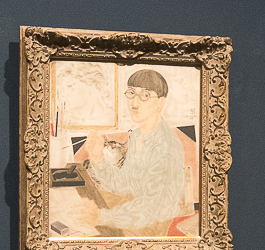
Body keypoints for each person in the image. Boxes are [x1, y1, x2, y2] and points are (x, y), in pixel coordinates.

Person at [81, 68, 188, 236]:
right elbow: (124, 183)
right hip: (134, 210)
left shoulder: (165, 147)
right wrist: (97, 158)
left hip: (152, 226)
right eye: (131, 93)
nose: (134, 103)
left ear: (160, 103)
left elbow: (151, 208)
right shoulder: (138, 135)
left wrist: (103, 217)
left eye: (145, 95)